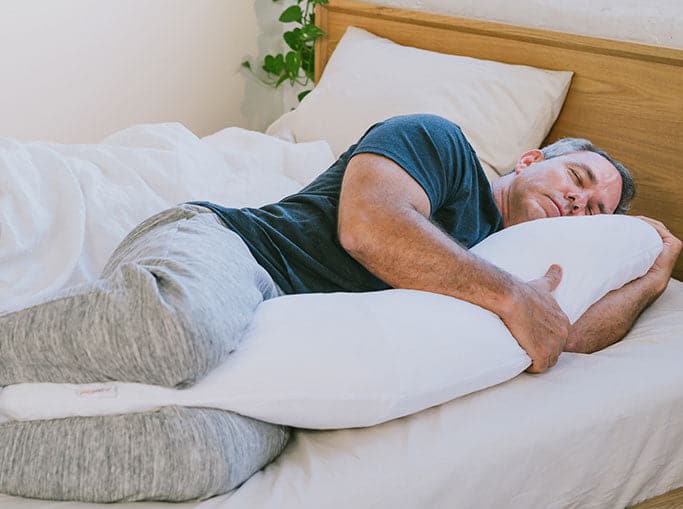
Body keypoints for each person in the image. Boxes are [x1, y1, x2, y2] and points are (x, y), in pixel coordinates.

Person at [1, 114, 680, 388]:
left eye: (594, 210)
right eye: (576, 178)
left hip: (284, 332)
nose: (577, 202)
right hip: (234, 248)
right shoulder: (441, 144)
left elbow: (563, 336)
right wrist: (509, 295)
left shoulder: (518, 254)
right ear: (531, 160)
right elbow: (369, 226)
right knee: (178, 331)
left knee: (195, 457)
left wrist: (653, 277)